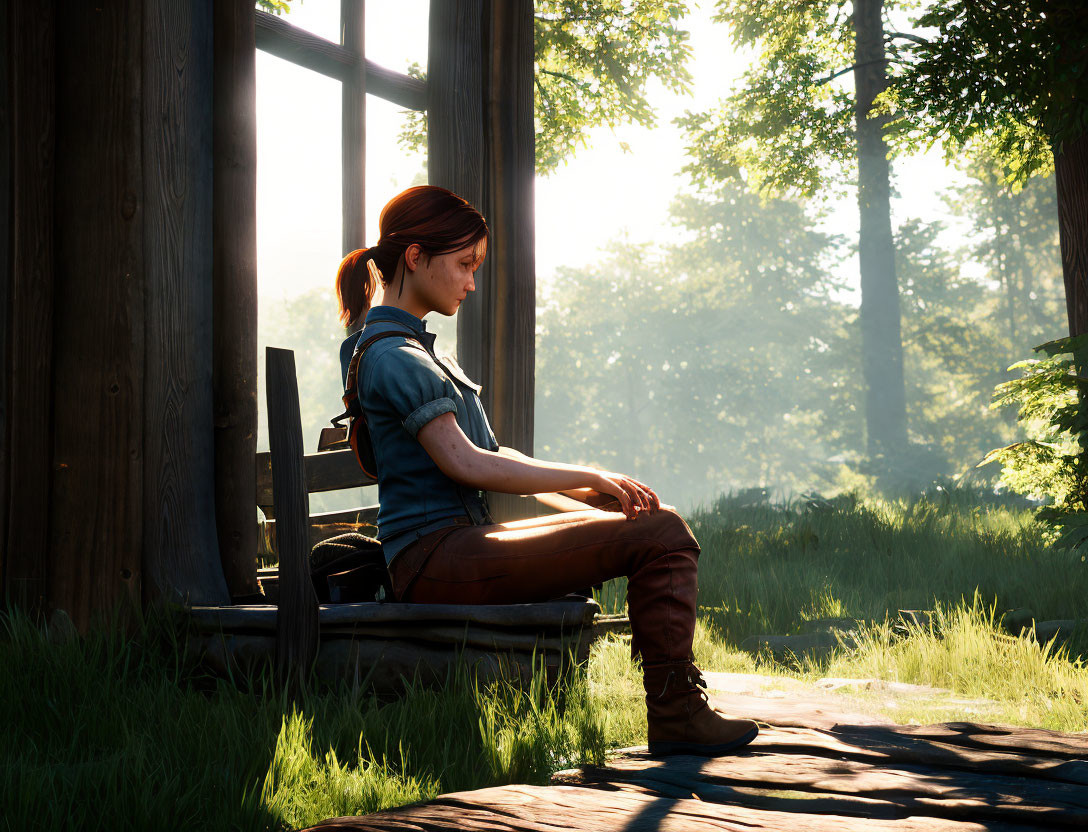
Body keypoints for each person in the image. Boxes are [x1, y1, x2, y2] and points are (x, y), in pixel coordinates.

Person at [335, 185, 758, 757]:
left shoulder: (412, 349)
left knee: (643, 519)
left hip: (457, 548)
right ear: (414, 257)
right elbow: (468, 464)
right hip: (433, 560)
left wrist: (592, 493)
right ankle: (676, 711)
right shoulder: (393, 356)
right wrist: (589, 476)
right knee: (664, 536)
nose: (471, 282)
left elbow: (496, 457)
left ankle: (671, 705)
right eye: (463, 265)